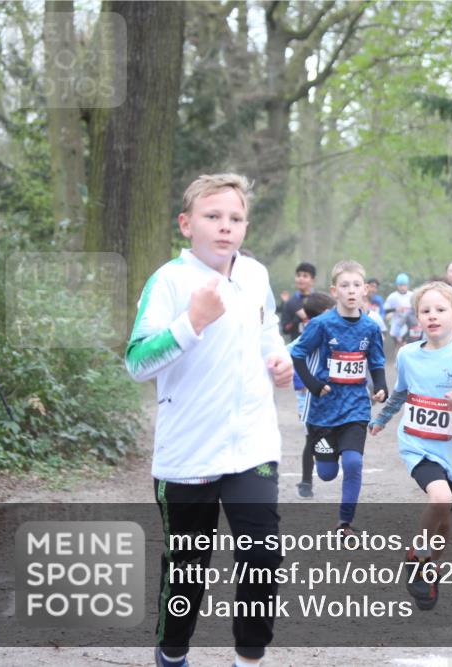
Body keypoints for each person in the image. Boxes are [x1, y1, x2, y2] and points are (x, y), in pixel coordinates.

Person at [125, 173, 293, 667]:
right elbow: (137, 363)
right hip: (188, 453)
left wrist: (279, 359)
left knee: (262, 556)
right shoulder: (169, 282)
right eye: (212, 216)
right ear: (186, 224)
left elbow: (266, 331)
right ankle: (172, 654)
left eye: (235, 218)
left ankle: (249, 658)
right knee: (187, 570)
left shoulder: (257, 274)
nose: (225, 227)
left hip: (252, 447)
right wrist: (191, 322)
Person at [369, 281, 452, 610]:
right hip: (417, 444)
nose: (433, 316)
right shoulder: (408, 355)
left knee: (444, 519)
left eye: (440, 310)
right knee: (439, 497)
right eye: (425, 311)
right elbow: (401, 391)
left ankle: (430, 566)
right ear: (416, 317)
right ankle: (415, 555)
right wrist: (383, 417)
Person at [289, 260, 387, 536]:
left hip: (356, 405)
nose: (351, 291)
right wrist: (313, 384)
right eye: (345, 286)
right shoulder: (321, 324)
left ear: (365, 289)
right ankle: (326, 466)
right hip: (323, 411)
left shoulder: (370, 327)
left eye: (357, 285)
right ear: (335, 291)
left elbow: (376, 360)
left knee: (354, 463)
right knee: (327, 473)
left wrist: (380, 386)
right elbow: (297, 354)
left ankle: (345, 523)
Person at [289, 291, 336, 498]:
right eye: (332, 311)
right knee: (312, 438)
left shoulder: (334, 331)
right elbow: (290, 353)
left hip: (332, 396)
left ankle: (327, 461)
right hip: (309, 397)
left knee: (326, 435)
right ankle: (306, 481)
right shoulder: (310, 333)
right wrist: (303, 383)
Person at [279, 261, 316, 342]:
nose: (301, 279)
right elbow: (285, 329)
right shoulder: (290, 303)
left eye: (305, 276)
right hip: (296, 348)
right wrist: (297, 318)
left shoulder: (319, 301)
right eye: (298, 275)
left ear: (312, 281)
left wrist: (306, 318)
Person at [385, 273, 419, 352]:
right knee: (398, 346)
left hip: (410, 325)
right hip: (397, 325)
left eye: (404, 285)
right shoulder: (392, 297)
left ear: (408, 285)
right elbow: (386, 311)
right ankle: (397, 362)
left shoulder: (412, 295)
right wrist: (395, 310)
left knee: (407, 346)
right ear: (397, 285)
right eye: (400, 285)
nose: (403, 287)